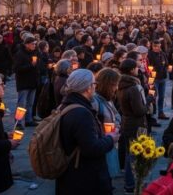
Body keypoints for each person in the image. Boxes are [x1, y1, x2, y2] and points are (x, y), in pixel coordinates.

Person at [56, 69, 119, 195]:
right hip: (84, 177)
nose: (95, 87)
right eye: (94, 84)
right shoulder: (82, 113)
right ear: (87, 87)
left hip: (70, 175)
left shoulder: (67, 104)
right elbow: (91, 148)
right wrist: (111, 138)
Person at [116, 59, 147, 193]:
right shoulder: (133, 88)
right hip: (135, 124)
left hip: (126, 121)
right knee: (134, 154)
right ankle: (131, 183)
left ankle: (131, 182)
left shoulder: (121, 84)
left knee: (131, 152)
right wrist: (149, 102)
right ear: (131, 70)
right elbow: (139, 110)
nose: (138, 69)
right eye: (136, 68)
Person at [93, 68, 121, 178]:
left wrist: (117, 125)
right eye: (114, 85)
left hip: (110, 140)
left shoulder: (107, 99)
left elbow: (116, 115)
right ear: (107, 85)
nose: (116, 88)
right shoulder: (95, 101)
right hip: (103, 143)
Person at [13, 36, 40, 128]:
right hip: (23, 82)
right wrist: (30, 65)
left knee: (30, 103)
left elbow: (37, 65)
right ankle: (18, 122)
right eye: (32, 44)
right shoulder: (20, 54)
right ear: (26, 44)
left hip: (32, 81)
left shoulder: (35, 52)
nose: (34, 46)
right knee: (22, 104)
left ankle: (28, 120)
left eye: (35, 44)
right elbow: (17, 69)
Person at [149, 40, 169, 120]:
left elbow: (167, 63)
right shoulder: (150, 55)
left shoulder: (162, 54)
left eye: (158, 46)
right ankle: (152, 114)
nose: (157, 48)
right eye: (155, 46)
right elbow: (149, 66)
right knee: (153, 96)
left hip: (162, 77)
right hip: (153, 79)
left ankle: (161, 112)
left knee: (162, 96)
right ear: (152, 46)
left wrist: (167, 68)